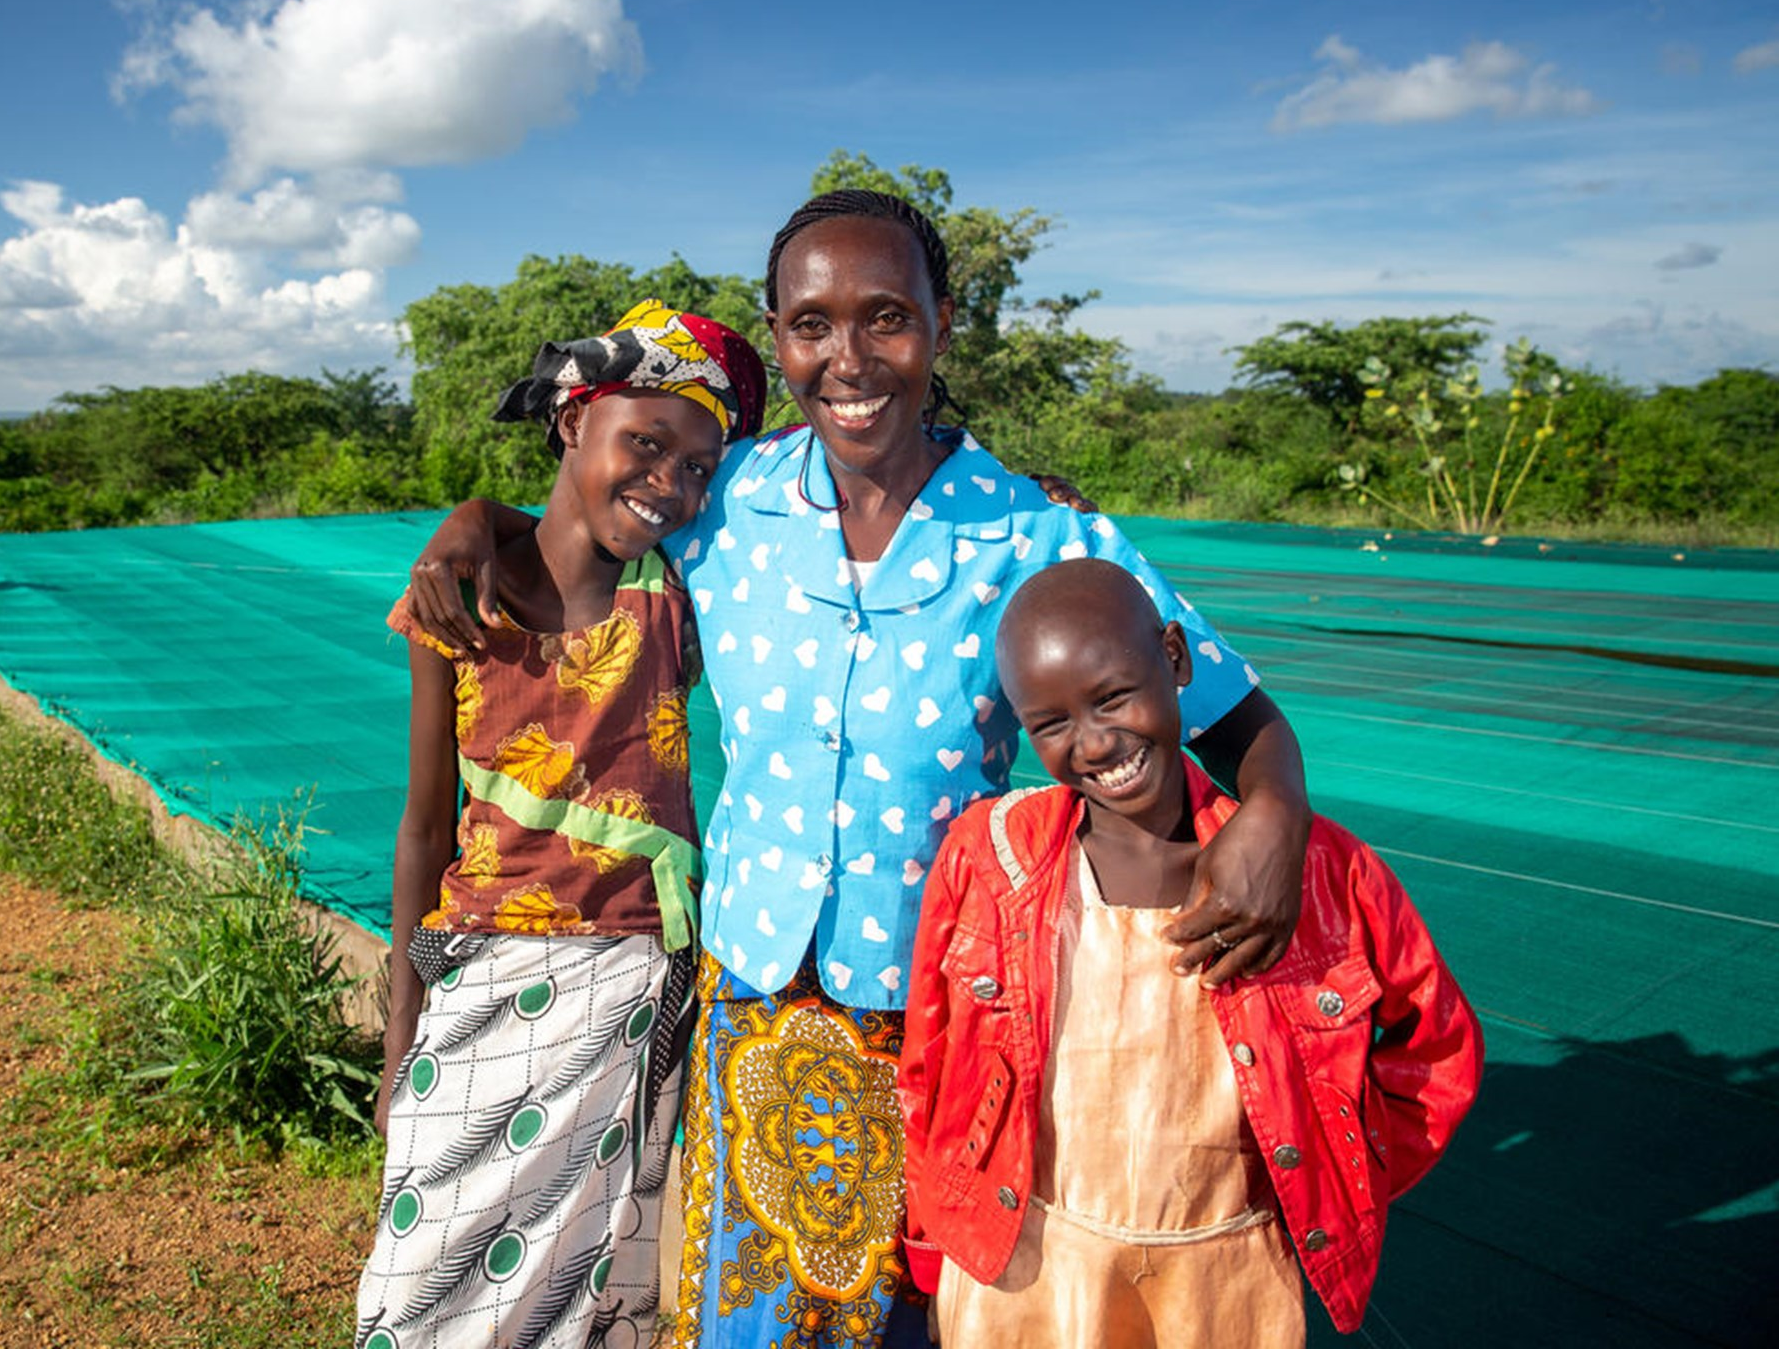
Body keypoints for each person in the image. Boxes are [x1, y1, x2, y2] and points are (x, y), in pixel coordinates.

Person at [403, 189, 1314, 1348]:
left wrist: (1273, 815)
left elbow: (1237, 714)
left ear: (940, 321)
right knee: (745, 1308)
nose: (849, 357)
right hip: (749, 997)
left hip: (956, 1007)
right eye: (810, 324)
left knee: (940, 1306)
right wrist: (470, 521)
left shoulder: (1034, 530)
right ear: (778, 336)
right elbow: (577, 513)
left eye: (884, 317)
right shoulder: (723, 499)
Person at [899, 559, 1484, 1344]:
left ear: (1174, 659)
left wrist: (1335, 1171)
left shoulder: (1323, 874)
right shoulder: (988, 856)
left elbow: (1438, 1051)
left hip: (1228, 1278)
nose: (1096, 741)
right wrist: (940, 1241)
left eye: (1113, 697)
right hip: (1026, 1267)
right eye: (1052, 724)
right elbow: (932, 1066)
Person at [354, 299, 766, 1349]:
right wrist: (399, 1040)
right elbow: (420, 831)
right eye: (645, 442)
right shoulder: (453, 604)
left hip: (630, 988)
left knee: (594, 1295)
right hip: (478, 983)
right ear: (570, 419)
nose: (670, 483)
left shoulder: (676, 599)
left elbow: (843, 462)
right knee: (419, 1283)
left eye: (698, 466)